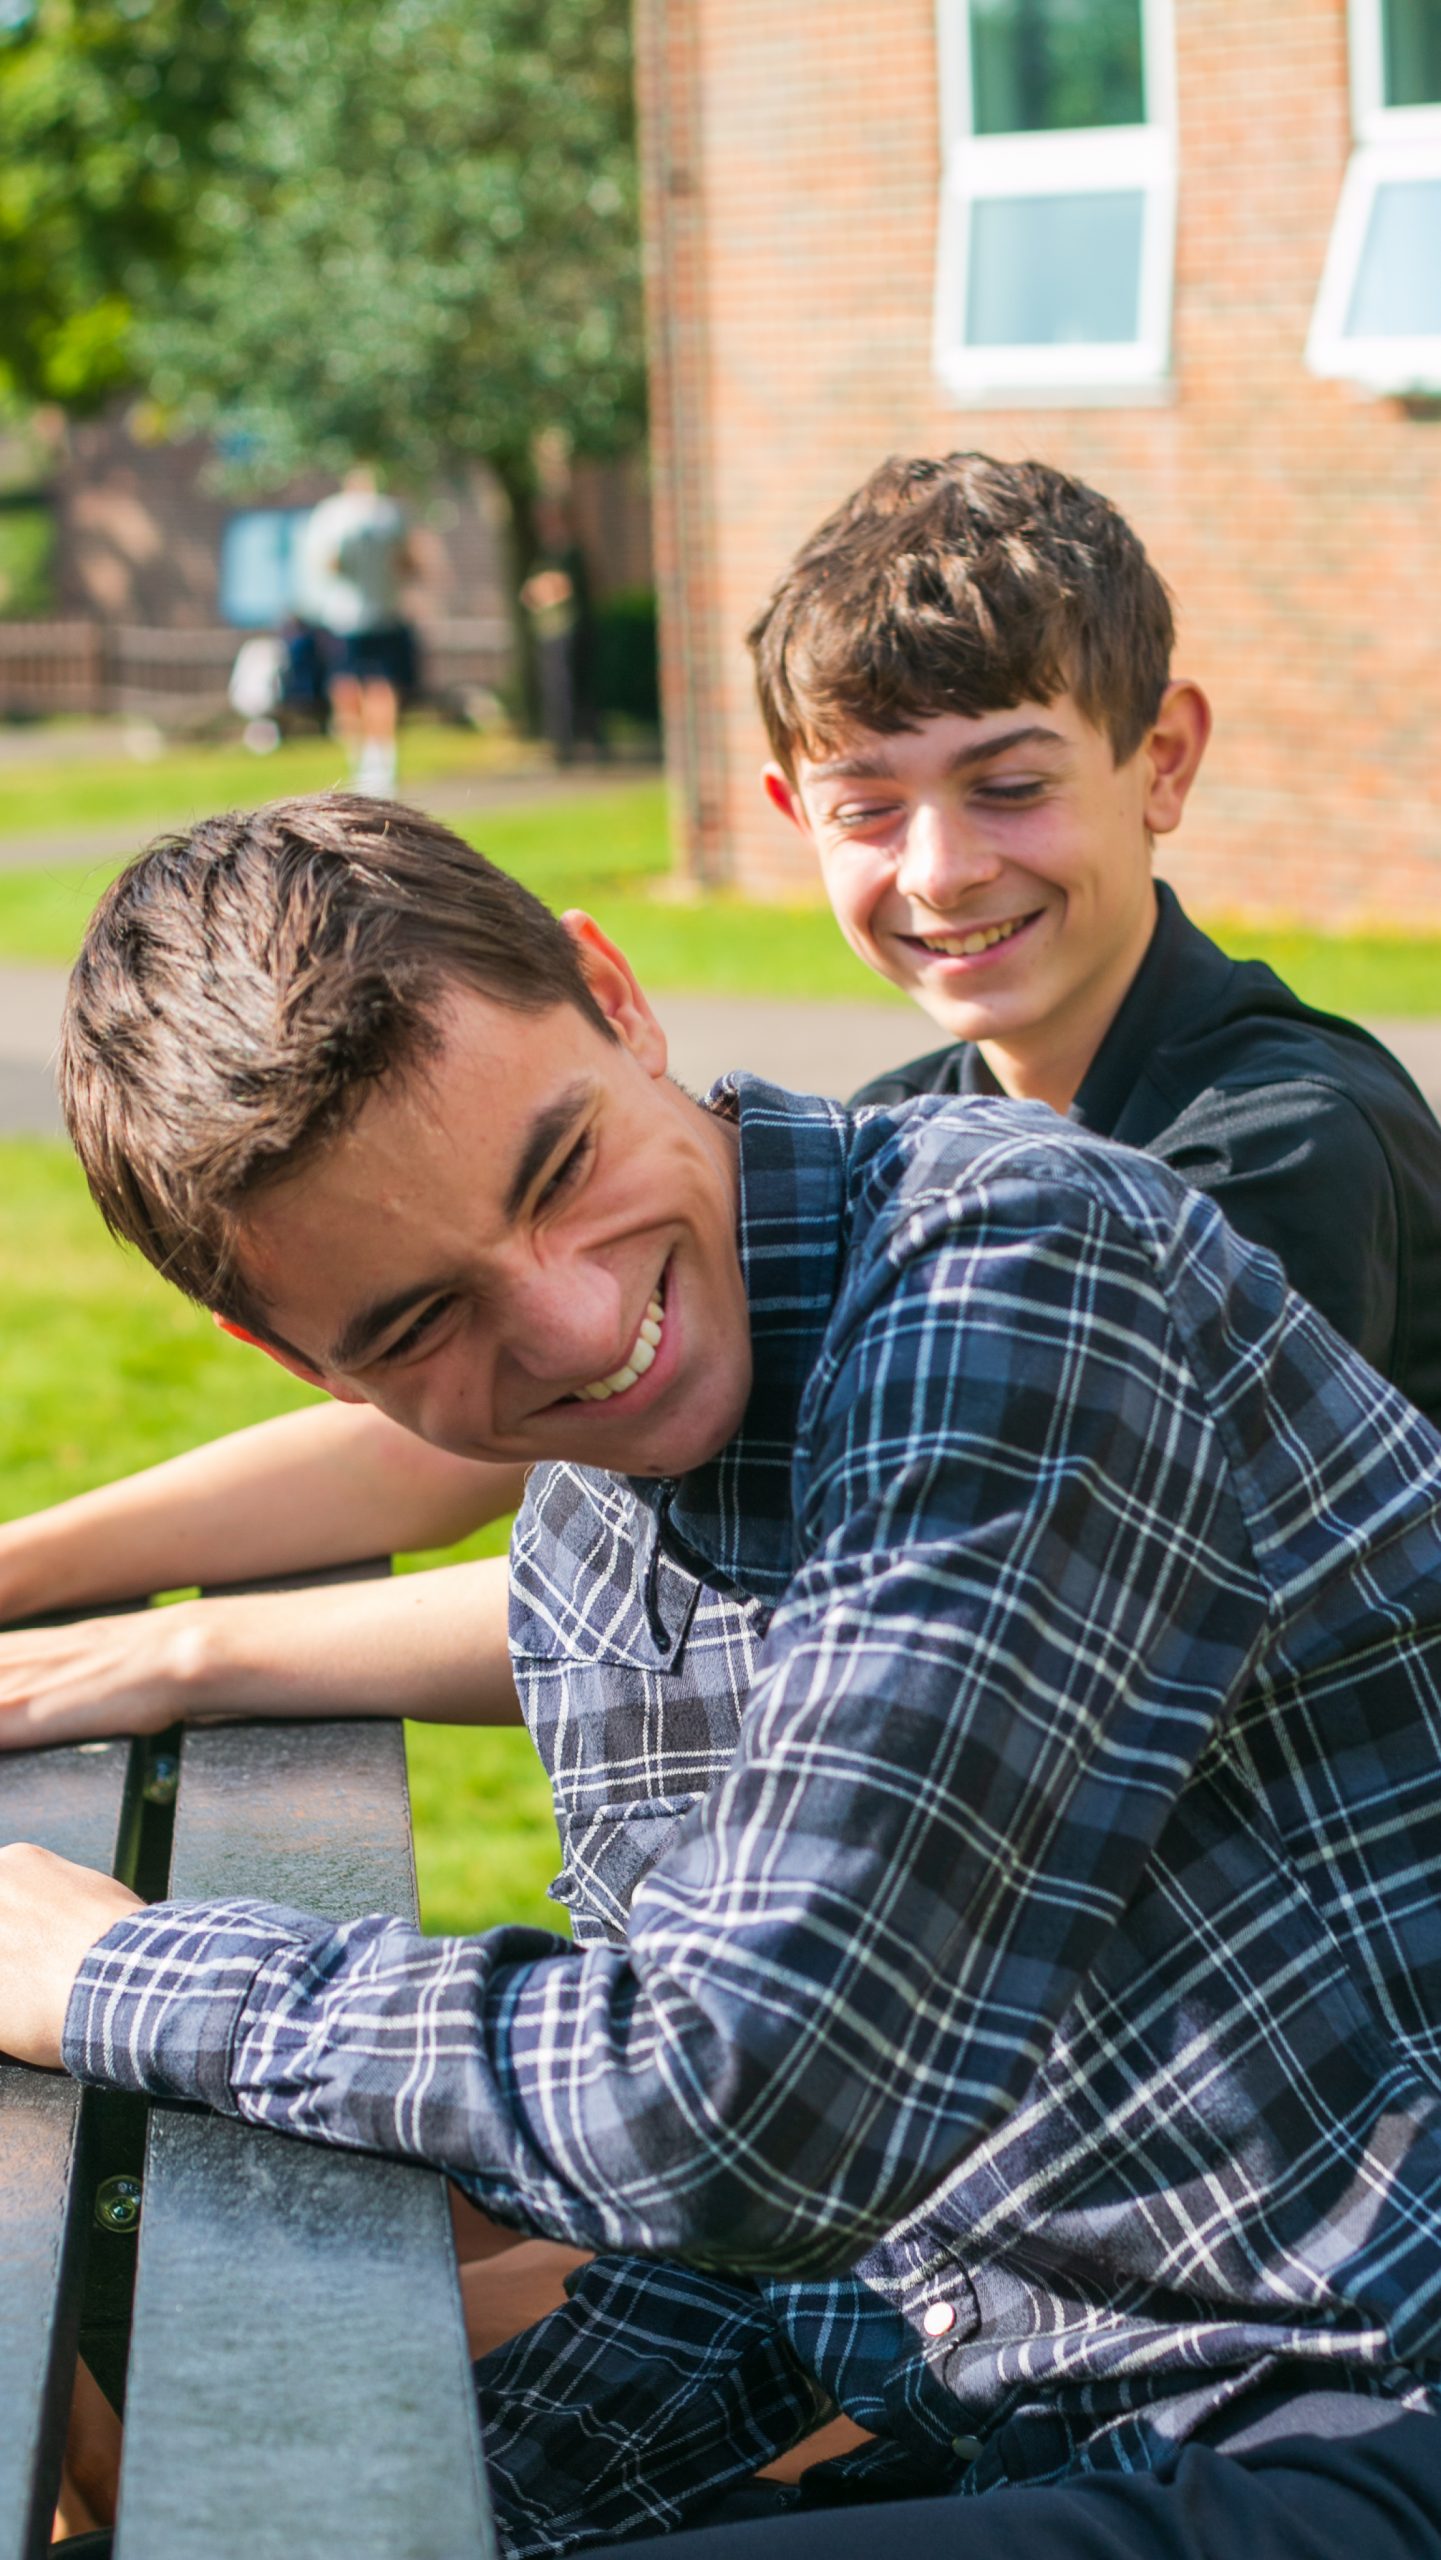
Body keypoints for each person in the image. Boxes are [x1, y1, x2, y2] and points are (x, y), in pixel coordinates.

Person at [8, 794, 1441, 2560]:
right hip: (1047, 2403)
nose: (579, 1331)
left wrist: (107, 1973)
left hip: (1363, 2391)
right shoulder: (606, 1527)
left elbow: (739, 2107)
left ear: (615, 994)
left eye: (557, 1173)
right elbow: (816, 2260)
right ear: (287, 1354)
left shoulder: (1017, 1267)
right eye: (417, 1325)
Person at [5, 454, 1441, 1754]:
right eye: (867, 808)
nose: (939, 868)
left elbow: (895, 1636)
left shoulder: (1272, 1146)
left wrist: (187, 1652)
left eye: (1008, 785)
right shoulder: (916, 1120)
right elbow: (439, 1430)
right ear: (790, 813)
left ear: (1163, 762)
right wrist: (32, 1569)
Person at [294, 464, 416, 797]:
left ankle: (370, 762)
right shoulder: (390, 514)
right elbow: (407, 564)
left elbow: (326, 564)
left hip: (350, 618)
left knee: (356, 687)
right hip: (368, 615)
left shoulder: (334, 515)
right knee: (369, 687)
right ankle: (376, 762)